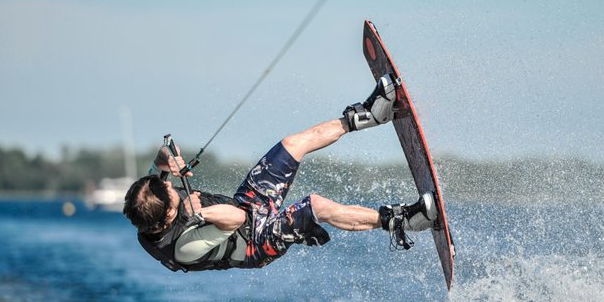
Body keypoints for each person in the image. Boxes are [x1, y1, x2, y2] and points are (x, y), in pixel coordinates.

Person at [122, 75, 437, 273]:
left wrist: (167, 160)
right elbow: (236, 220)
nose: (174, 187)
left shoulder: (150, 200)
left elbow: (158, 168)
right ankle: (403, 221)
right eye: (175, 194)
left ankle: (371, 115)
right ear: (169, 216)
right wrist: (202, 212)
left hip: (246, 205)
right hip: (256, 243)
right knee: (315, 206)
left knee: (290, 145)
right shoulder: (182, 247)